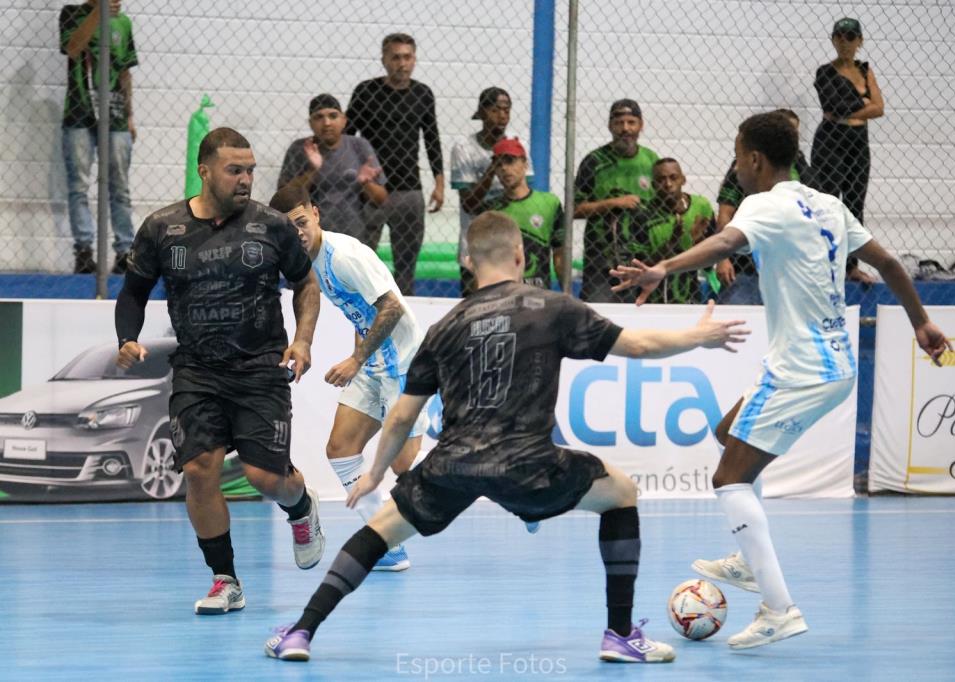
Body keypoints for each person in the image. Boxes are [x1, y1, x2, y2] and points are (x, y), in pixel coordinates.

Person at [264, 211, 750, 663]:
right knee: (621, 493)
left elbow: (398, 419)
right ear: (521, 257)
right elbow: (639, 345)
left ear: (467, 262)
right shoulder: (552, 306)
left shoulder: (444, 327)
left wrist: (373, 474)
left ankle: (302, 631)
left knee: (379, 532)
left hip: (452, 465)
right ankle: (620, 635)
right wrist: (697, 336)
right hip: (529, 463)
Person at [611, 112, 950, 649]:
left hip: (802, 371)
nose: (735, 165)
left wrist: (661, 269)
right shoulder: (829, 204)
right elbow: (887, 263)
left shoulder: (762, 205)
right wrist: (923, 322)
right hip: (830, 365)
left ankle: (778, 608)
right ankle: (748, 561)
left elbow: (723, 245)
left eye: (736, 154)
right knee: (728, 434)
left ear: (754, 159)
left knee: (728, 479)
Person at [115, 127, 326, 615]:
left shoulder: (271, 226)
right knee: (199, 470)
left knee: (264, 478)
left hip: (260, 369)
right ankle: (225, 579)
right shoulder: (162, 228)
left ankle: (301, 506)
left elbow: (306, 284)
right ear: (204, 170)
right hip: (197, 370)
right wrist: (126, 337)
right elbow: (133, 292)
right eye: (236, 170)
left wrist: (303, 339)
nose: (247, 179)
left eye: (251, 169)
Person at [269, 184, 427, 571]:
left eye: (302, 222)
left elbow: (390, 306)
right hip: (374, 364)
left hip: (406, 364)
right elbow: (362, 310)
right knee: (340, 449)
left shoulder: (344, 256)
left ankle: (491, 476)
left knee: (405, 466)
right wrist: (356, 355)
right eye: (289, 230)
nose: (299, 233)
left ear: (316, 213)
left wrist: (356, 359)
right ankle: (387, 544)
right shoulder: (308, 262)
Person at [345, 33, 444, 295]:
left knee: (406, 269)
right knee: (359, 264)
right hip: (370, 194)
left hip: (409, 191)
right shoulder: (366, 91)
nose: (402, 63)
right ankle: (356, 321)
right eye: (396, 57)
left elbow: (431, 138)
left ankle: (402, 324)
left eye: (407, 57)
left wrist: (439, 184)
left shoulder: (423, 94)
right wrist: (354, 179)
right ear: (384, 60)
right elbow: (347, 137)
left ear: (414, 59)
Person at [715, 109, 828, 304]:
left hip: (791, 270)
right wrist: (722, 258)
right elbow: (725, 217)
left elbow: (884, 261)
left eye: (794, 132)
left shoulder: (804, 174)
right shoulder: (743, 172)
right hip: (747, 270)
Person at [59, 0, 138, 274]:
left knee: (119, 186)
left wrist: (130, 115)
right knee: (78, 185)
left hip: (115, 115)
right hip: (78, 112)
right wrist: (98, 13)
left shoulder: (124, 23)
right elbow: (73, 48)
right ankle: (83, 250)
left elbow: (126, 71)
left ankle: (125, 252)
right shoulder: (72, 14)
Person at [811, 18, 885, 278]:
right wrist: (864, 101)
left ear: (860, 41)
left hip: (857, 141)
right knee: (828, 202)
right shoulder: (825, 72)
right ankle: (824, 261)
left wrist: (850, 107)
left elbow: (880, 108)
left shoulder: (865, 70)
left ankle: (850, 266)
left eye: (850, 37)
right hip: (831, 140)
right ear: (833, 40)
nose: (845, 42)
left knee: (855, 204)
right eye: (840, 36)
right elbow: (833, 106)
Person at [575, 99, 660, 302]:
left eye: (631, 122)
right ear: (610, 126)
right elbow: (574, 210)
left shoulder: (652, 160)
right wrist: (613, 203)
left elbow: (661, 208)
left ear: (641, 125)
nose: (625, 129)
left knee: (639, 321)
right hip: (600, 261)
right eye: (619, 123)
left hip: (641, 262)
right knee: (597, 318)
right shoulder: (594, 161)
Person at [277, 94, 388, 244]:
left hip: (355, 236)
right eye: (319, 117)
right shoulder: (300, 148)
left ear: (344, 121)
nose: (327, 123)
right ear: (310, 123)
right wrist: (312, 171)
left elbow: (382, 199)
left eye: (333, 116)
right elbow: (284, 199)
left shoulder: (359, 146)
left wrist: (365, 183)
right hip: (312, 237)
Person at [450, 87, 529, 295]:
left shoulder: (517, 144)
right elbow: (469, 204)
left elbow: (524, 191)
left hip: (510, 244)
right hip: (476, 243)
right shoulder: (464, 148)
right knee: (474, 303)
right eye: (495, 110)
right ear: (482, 112)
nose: (502, 115)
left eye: (506, 110)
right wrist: (493, 167)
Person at [464, 138, 564, 290]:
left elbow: (559, 253)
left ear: (525, 163)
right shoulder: (491, 211)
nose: (504, 168)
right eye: (498, 164)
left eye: (510, 161)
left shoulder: (550, 203)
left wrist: (567, 291)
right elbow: (482, 263)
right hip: (501, 294)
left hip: (538, 292)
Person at [621, 157, 718, 304]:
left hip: (689, 293)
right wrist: (671, 243)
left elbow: (713, 256)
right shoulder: (641, 215)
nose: (668, 184)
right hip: (651, 297)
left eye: (673, 178)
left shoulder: (701, 206)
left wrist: (697, 241)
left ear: (683, 180)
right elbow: (637, 268)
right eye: (661, 180)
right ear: (653, 185)